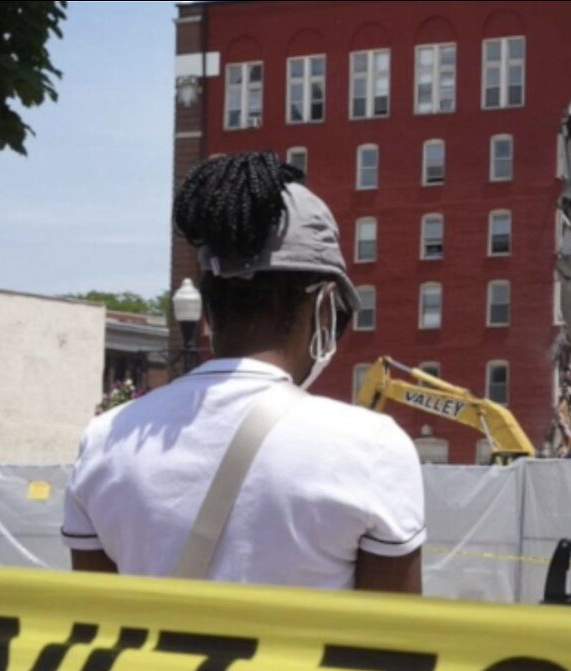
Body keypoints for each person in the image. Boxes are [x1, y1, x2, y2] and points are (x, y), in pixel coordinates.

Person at [61, 152, 424, 594]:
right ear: (324, 304)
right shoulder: (373, 448)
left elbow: (100, 623)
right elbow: (391, 642)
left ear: (209, 301)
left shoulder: (104, 441)